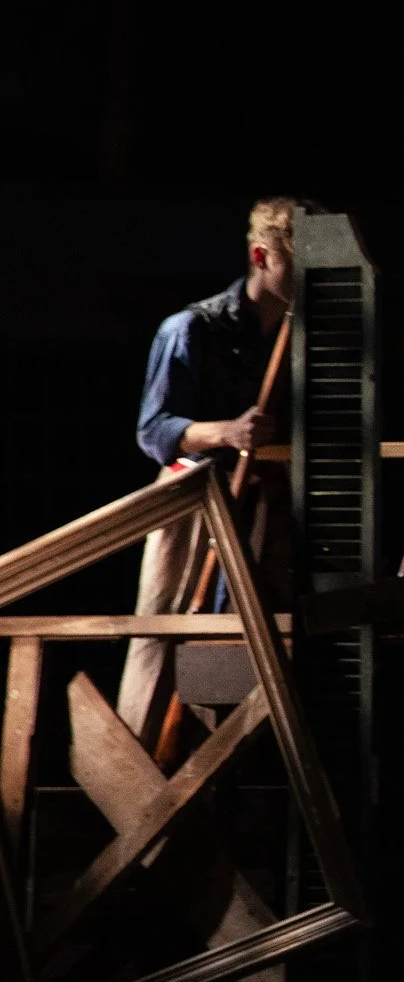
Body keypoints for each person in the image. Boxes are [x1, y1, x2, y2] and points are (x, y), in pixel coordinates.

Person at [118, 196, 306, 740]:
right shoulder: (191, 329)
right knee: (165, 629)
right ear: (262, 256)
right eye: (297, 267)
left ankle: (230, 772)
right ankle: (139, 761)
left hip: (262, 505)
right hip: (194, 501)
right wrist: (227, 431)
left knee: (250, 644)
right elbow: (154, 430)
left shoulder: (300, 341)